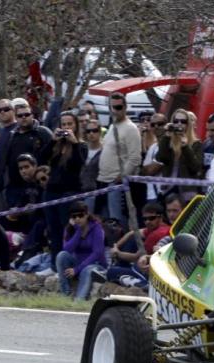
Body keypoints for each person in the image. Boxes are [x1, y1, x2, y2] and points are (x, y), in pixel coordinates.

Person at [44, 111, 87, 265]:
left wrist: (74, 143)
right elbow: (41, 157)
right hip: (52, 192)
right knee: (53, 230)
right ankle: (54, 264)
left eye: (70, 124)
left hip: (69, 193)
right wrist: (52, 141)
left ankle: (69, 263)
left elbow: (79, 164)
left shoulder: (81, 145)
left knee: (68, 229)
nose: (67, 127)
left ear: (76, 126)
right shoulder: (57, 145)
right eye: (64, 125)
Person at [96, 92, 141, 222]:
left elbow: (135, 158)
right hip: (103, 180)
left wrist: (121, 177)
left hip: (116, 183)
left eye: (118, 107)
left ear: (125, 107)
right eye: (112, 107)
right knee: (104, 222)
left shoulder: (131, 128)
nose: (115, 111)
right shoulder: (112, 126)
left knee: (117, 222)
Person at [102, 202, 170, 289]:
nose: (147, 222)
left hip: (147, 273)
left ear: (161, 217)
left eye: (151, 218)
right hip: (142, 266)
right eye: (145, 219)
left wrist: (117, 253)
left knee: (111, 272)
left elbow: (135, 257)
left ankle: (140, 284)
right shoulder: (159, 227)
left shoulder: (158, 233)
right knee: (134, 238)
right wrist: (116, 246)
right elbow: (133, 232)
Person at [55, 201, 107, 300]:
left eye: (80, 215)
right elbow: (67, 249)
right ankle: (65, 294)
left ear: (86, 214)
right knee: (61, 255)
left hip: (95, 265)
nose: (77, 219)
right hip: (78, 263)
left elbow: (97, 253)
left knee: (86, 270)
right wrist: (78, 231)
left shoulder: (96, 228)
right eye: (74, 216)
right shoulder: (70, 229)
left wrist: (77, 269)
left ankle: (79, 301)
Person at [155, 108, 202, 202]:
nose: (179, 124)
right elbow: (161, 158)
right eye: (176, 121)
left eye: (183, 121)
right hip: (168, 190)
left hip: (187, 192)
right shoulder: (168, 141)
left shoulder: (196, 144)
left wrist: (185, 147)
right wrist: (166, 137)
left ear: (188, 124)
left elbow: (196, 168)